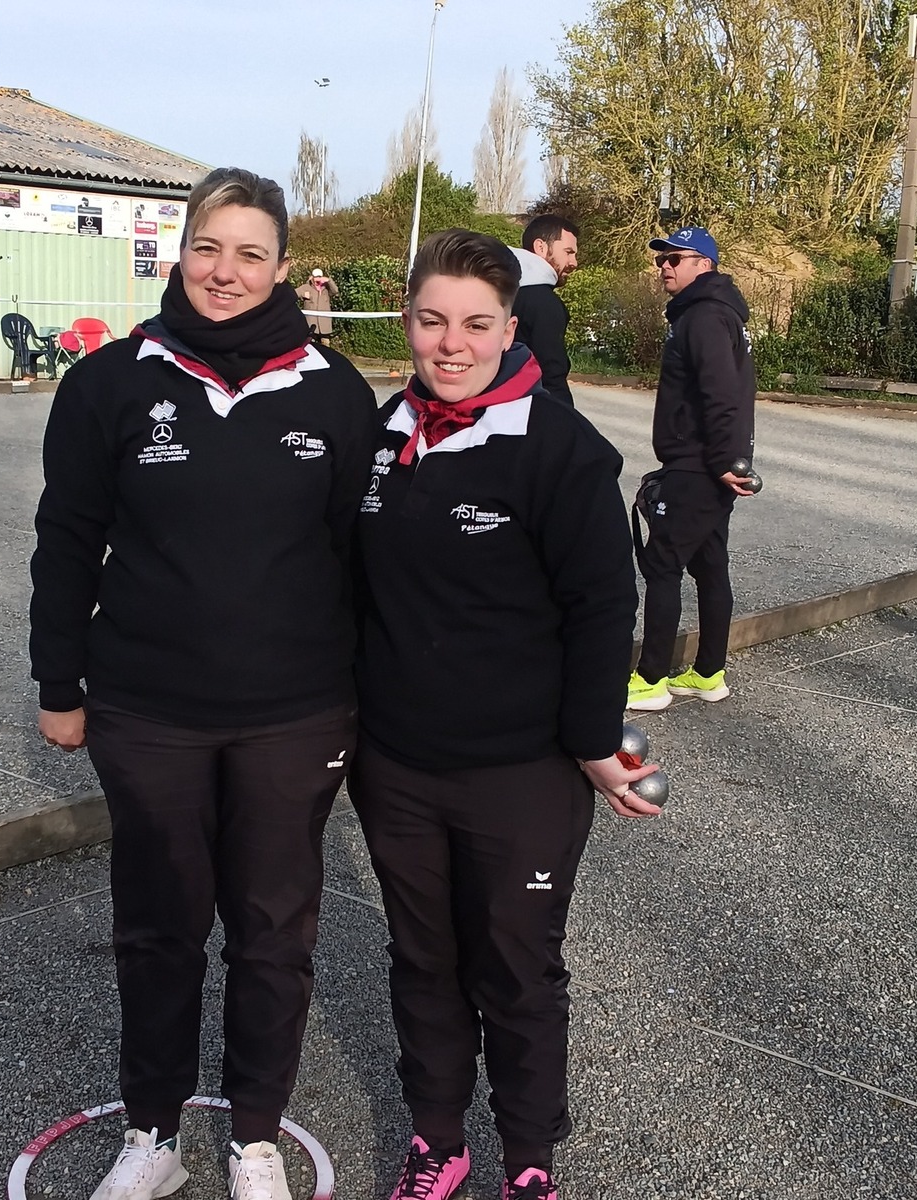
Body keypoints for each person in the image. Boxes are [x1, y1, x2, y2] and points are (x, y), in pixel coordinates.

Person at [28, 166, 378, 1200]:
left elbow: (362, 563)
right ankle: (154, 1135)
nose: (226, 272)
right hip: (148, 712)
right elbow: (66, 541)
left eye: (250, 254)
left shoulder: (333, 391)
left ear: (282, 266)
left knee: (273, 936)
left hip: (294, 715)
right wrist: (58, 681)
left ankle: (255, 1137)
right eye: (208, 248)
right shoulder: (110, 382)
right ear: (181, 252)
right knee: (159, 931)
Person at [351, 229, 660, 1200]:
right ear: (407, 321)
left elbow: (603, 606)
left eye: (476, 324)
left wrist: (591, 740)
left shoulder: (560, 448)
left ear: (509, 329)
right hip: (397, 767)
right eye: (432, 320)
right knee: (423, 960)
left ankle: (528, 1158)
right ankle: (437, 1140)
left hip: (519, 773)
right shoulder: (381, 433)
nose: (452, 344)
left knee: (516, 970)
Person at [626, 226, 756, 712]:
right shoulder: (717, 312)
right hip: (709, 463)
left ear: (704, 264)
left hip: (698, 465)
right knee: (709, 565)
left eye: (674, 259)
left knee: (662, 565)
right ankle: (707, 673)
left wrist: (722, 461)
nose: (664, 266)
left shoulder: (703, 316)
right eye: (661, 260)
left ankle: (650, 680)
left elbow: (721, 394)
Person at [509, 215, 579, 407]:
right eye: (568, 252)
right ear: (540, 247)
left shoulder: (499, 291)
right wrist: (565, 417)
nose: (574, 262)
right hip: (531, 410)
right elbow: (551, 375)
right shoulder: (543, 302)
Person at [293, 267, 338, 344]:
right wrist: (303, 294)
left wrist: (329, 281)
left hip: (324, 325)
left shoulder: (327, 288)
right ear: (312, 277)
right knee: (310, 346)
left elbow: (335, 291)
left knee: (325, 345)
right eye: (316, 277)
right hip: (311, 325)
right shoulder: (306, 287)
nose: (318, 279)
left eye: (319, 277)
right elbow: (293, 294)